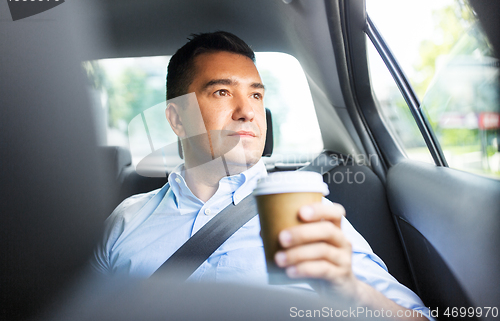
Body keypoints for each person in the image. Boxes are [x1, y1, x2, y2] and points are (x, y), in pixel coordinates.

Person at [91, 31, 431, 320]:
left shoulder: (304, 216)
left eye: (256, 94)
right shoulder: (124, 222)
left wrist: (352, 290)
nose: (248, 112)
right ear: (177, 119)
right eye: (222, 92)